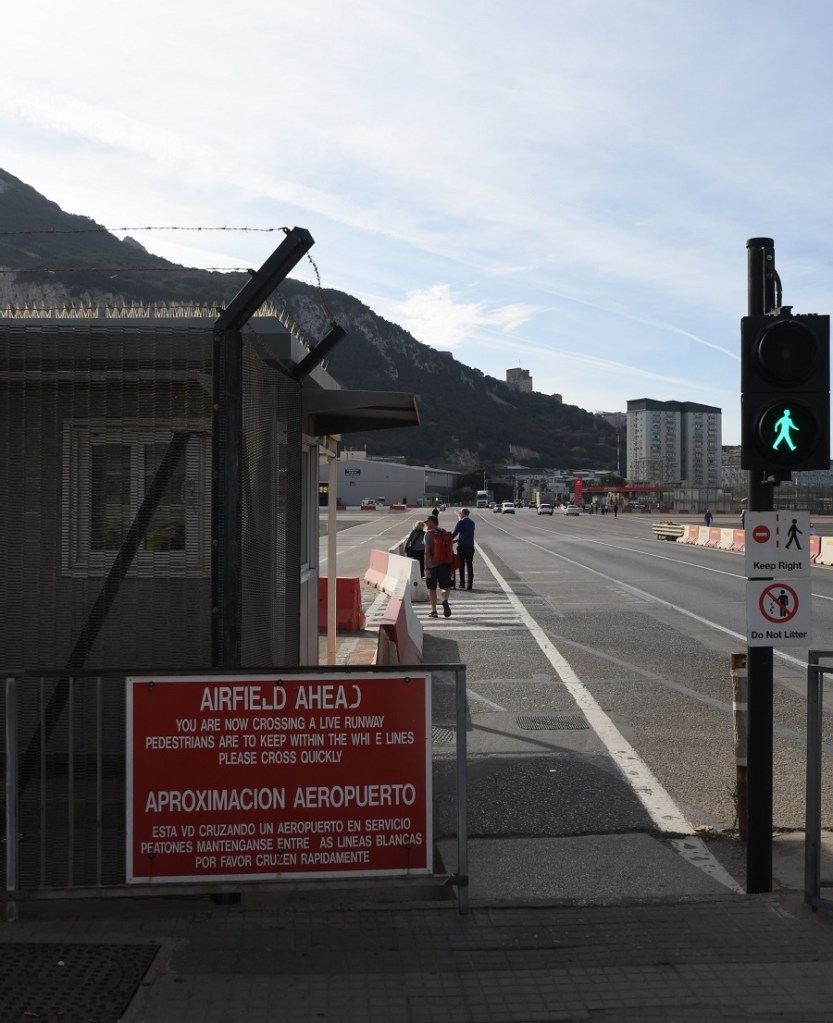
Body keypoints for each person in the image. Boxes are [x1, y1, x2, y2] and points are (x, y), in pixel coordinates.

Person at [423, 514, 452, 618]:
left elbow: (427, 552)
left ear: (432, 522)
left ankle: (434, 611)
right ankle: (445, 600)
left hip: (432, 566)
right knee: (445, 586)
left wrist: (426, 567)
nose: (426, 524)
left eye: (427, 522)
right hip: (444, 564)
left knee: (432, 588)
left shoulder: (428, 534)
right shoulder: (443, 532)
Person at [452, 508, 476, 589]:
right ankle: (470, 584)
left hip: (462, 547)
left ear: (463, 513)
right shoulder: (472, 522)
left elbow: (455, 533)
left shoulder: (461, 522)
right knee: (469, 565)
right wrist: (457, 540)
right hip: (470, 546)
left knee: (461, 565)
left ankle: (462, 583)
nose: (459, 514)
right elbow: (467, 535)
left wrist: (448, 540)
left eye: (460, 513)